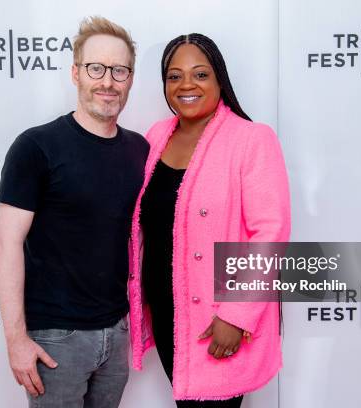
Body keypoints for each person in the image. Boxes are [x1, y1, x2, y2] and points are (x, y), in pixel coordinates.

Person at [0, 16, 149, 408]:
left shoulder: (141, 150)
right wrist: (16, 340)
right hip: (55, 340)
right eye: (96, 68)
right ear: (75, 73)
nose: (108, 81)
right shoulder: (36, 146)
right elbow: (7, 245)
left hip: (117, 334)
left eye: (119, 70)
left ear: (130, 78)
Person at [128, 33, 291, 407]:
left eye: (200, 74)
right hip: (168, 311)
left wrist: (236, 314)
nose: (186, 84)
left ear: (220, 80)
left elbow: (270, 232)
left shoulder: (251, 139)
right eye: (174, 76)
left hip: (214, 317)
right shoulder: (157, 137)